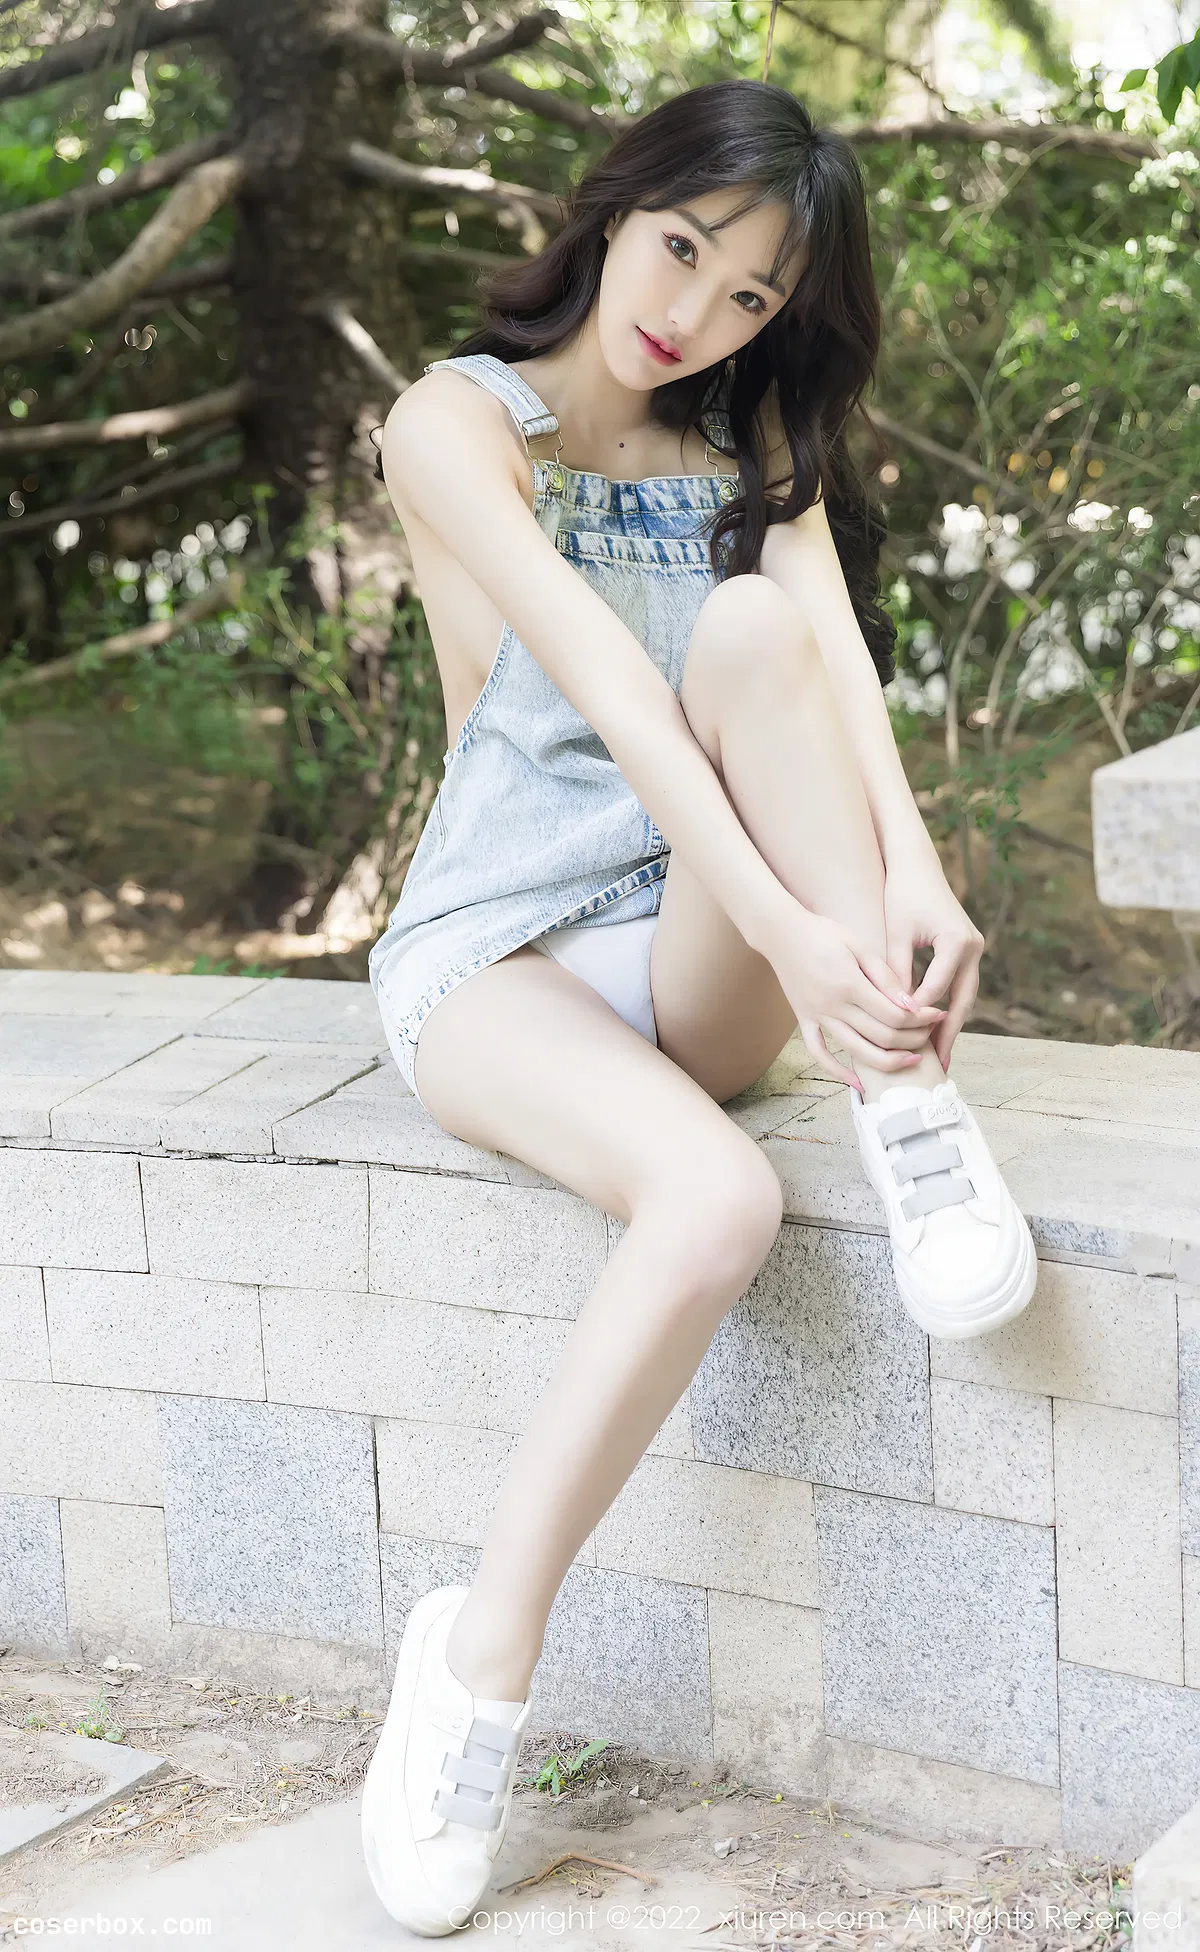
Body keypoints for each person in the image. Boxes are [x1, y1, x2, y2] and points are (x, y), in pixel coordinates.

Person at [359, 76, 1037, 1936]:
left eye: (751, 297)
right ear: (617, 208)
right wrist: (800, 934)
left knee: (756, 622)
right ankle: (476, 1669)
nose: (695, 314)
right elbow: (609, 689)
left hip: (690, 936)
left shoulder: (748, 439)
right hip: (500, 947)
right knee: (720, 1201)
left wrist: (907, 884)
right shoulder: (456, 423)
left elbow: (828, 672)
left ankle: (909, 1111)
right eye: (680, 252)